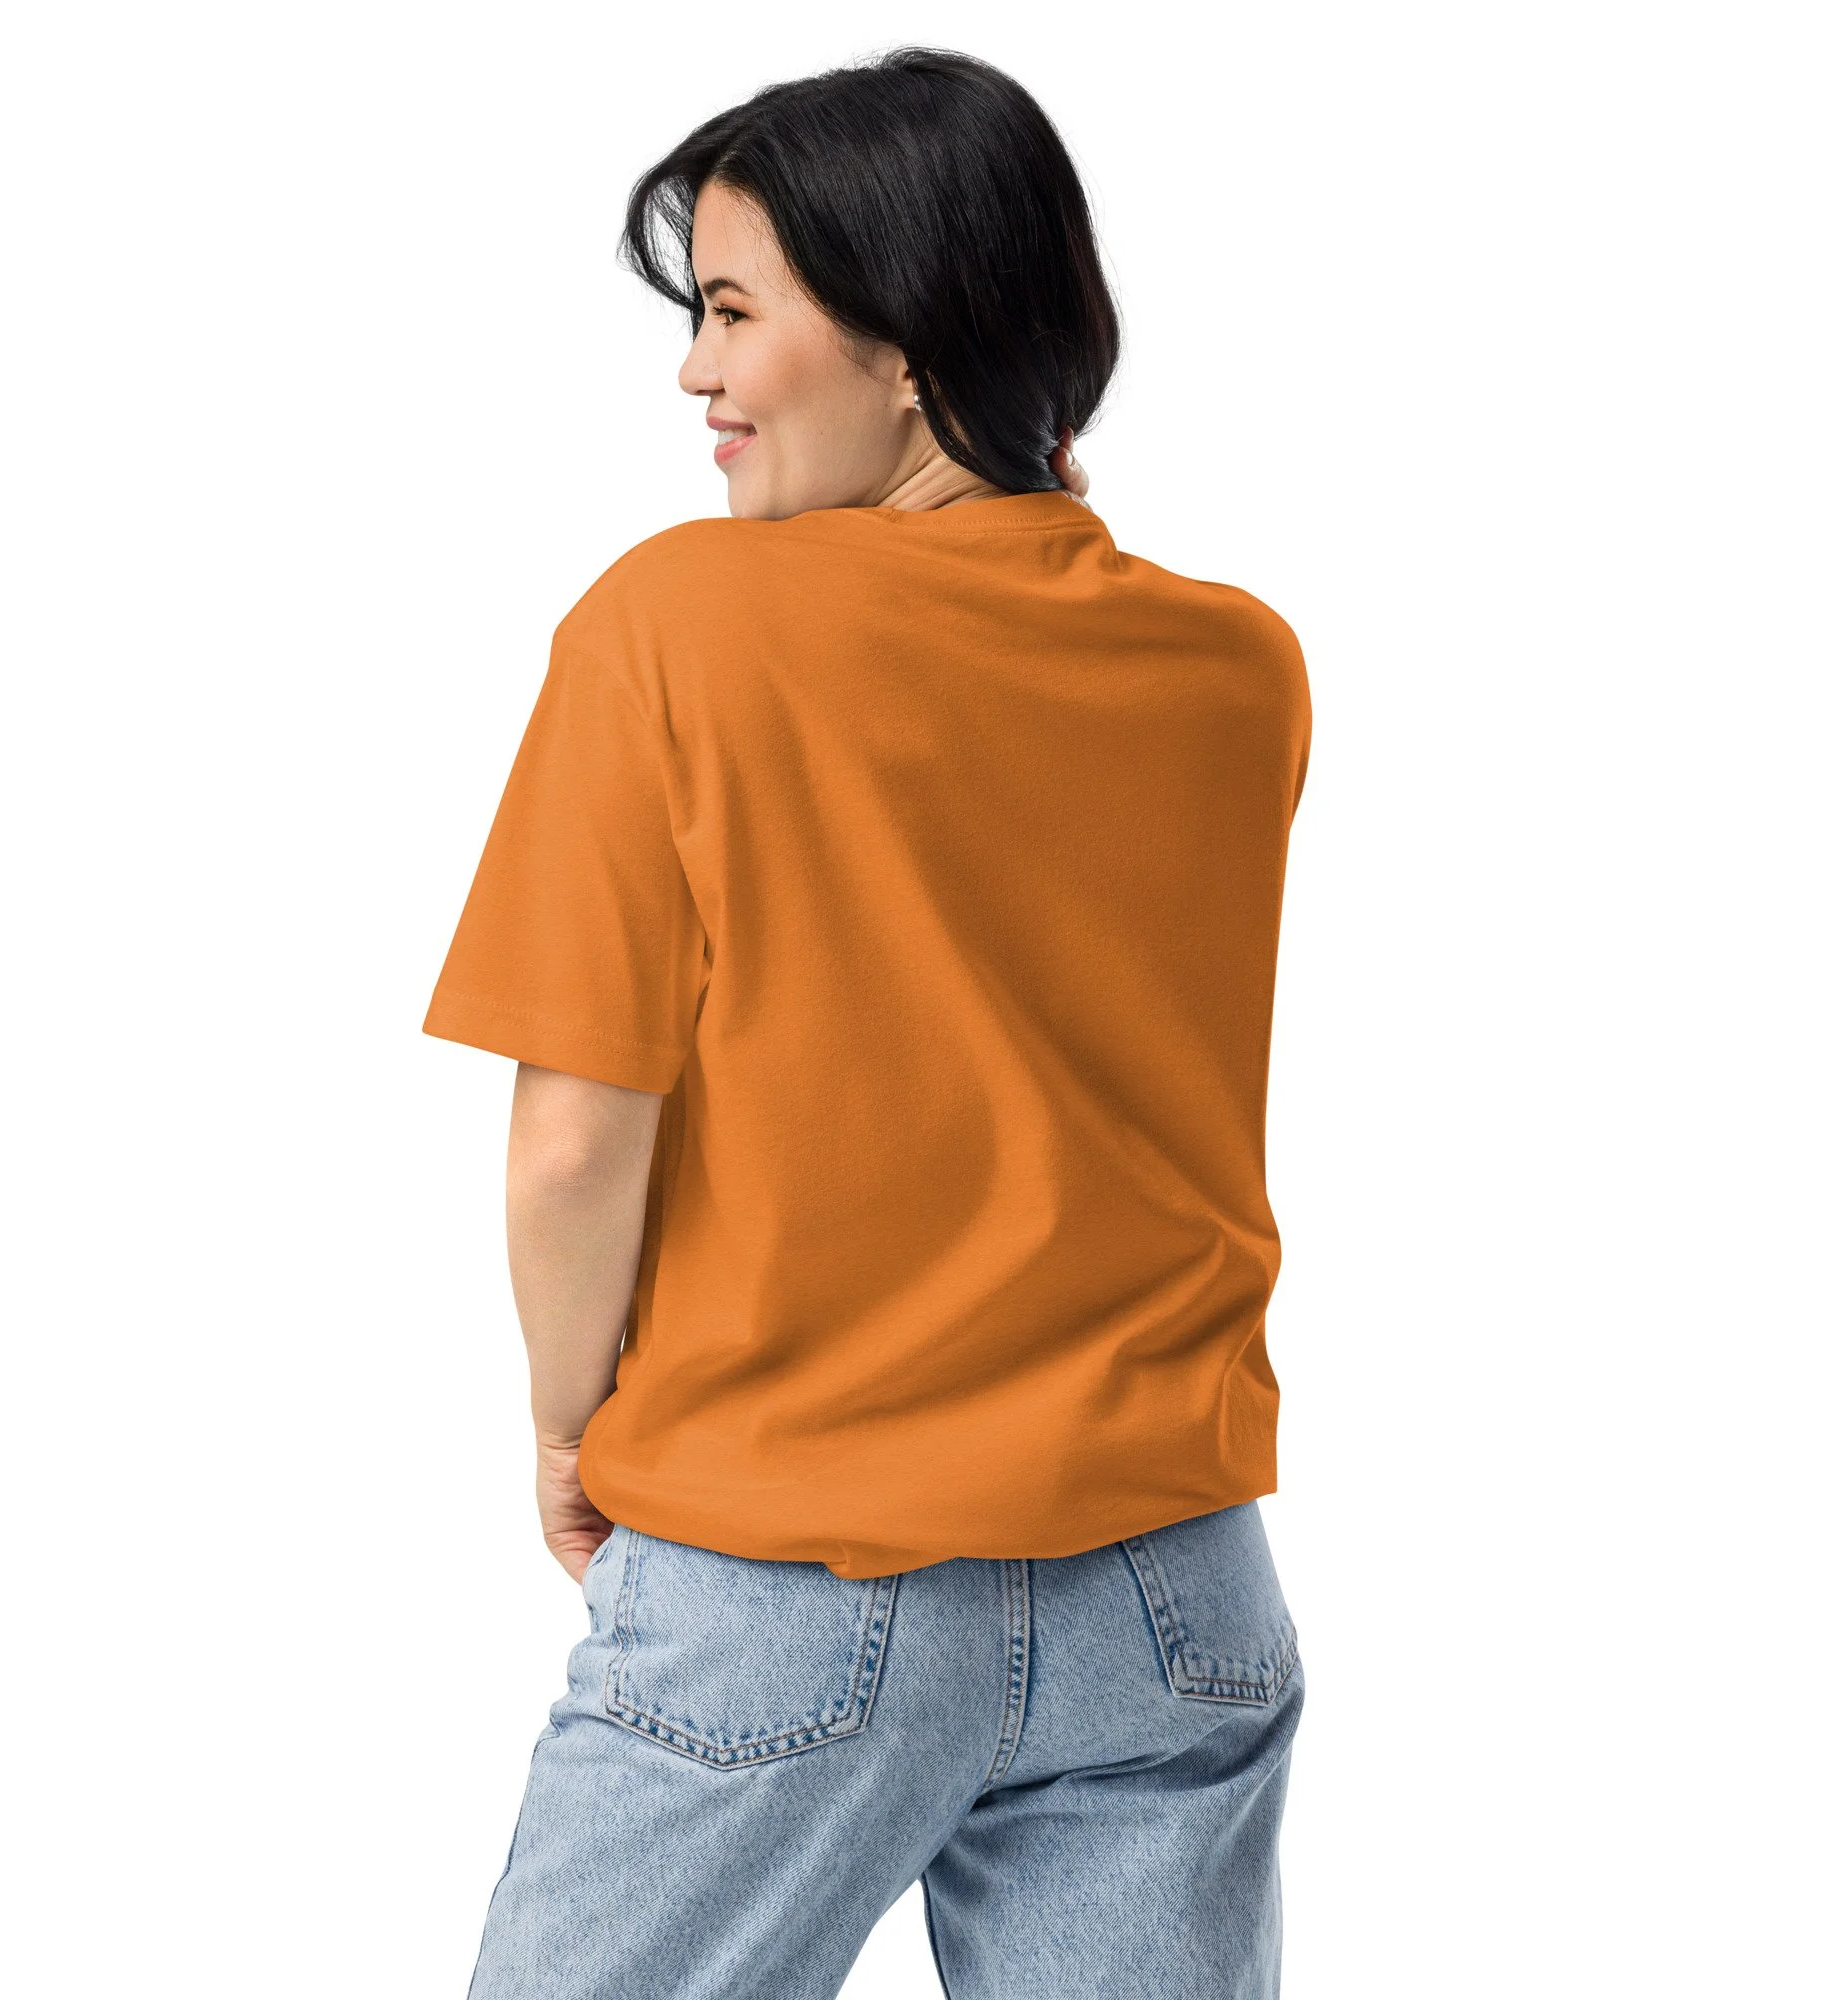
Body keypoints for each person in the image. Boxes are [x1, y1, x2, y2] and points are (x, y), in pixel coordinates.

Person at [422, 46, 1312, 2000]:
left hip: (794, 1564)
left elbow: (573, 1136)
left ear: (907, 338)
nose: (695, 374)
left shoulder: (677, 629)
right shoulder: (1237, 668)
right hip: (1172, 1588)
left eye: (734, 313)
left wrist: (568, 1422)